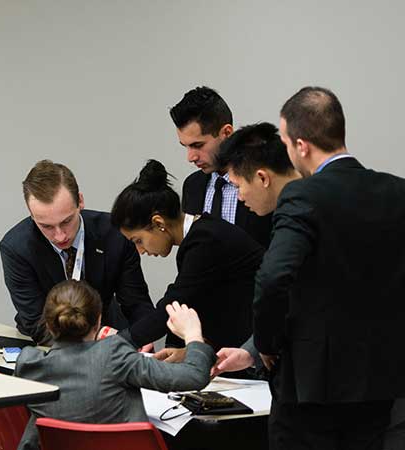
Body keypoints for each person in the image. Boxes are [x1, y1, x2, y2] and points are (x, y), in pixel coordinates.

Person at [251, 87, 405, 450]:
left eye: (287, 143)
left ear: (301, 145)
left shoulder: (302, 195)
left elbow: (274, 277)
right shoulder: (397, 193)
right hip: (380, 376)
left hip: (312, 381)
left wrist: (267, 342)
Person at [14, 279, 214, 450]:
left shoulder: (29, 365)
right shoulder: (114, 354)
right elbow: (194, 376)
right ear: (98, 320)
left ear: (48, 324)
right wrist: (193, 334)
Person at [109, 159, 263, 363]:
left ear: (158, 223)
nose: (140, 250)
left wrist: (113, 346)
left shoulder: (206, 241)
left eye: (138, 241)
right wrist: (188, 352)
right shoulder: (202, 235)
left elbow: (173, 305)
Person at [0, 159, 154, 345]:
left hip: (110, 334)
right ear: (31, 214)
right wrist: (90, 342)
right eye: (46, 226)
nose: (59, 236)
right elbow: (35, 321)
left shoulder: (114, 234)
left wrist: (142, 336)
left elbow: (136, 302)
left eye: (66, 221)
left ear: (80, 201)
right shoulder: (16, 248)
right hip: (48, 340)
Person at [206, 122, 299, 377]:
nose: (239, 197)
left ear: (262, 178)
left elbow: (275, 283)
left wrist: (264, 342)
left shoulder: (300, 214)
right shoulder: (293, 206)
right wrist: (251, 352)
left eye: (237, 187)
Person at [170, 86, 272, 247]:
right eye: (186, 146)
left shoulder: (263, 181)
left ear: (226, 133)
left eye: (198, 145)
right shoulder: (192, 186)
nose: (190, 157)